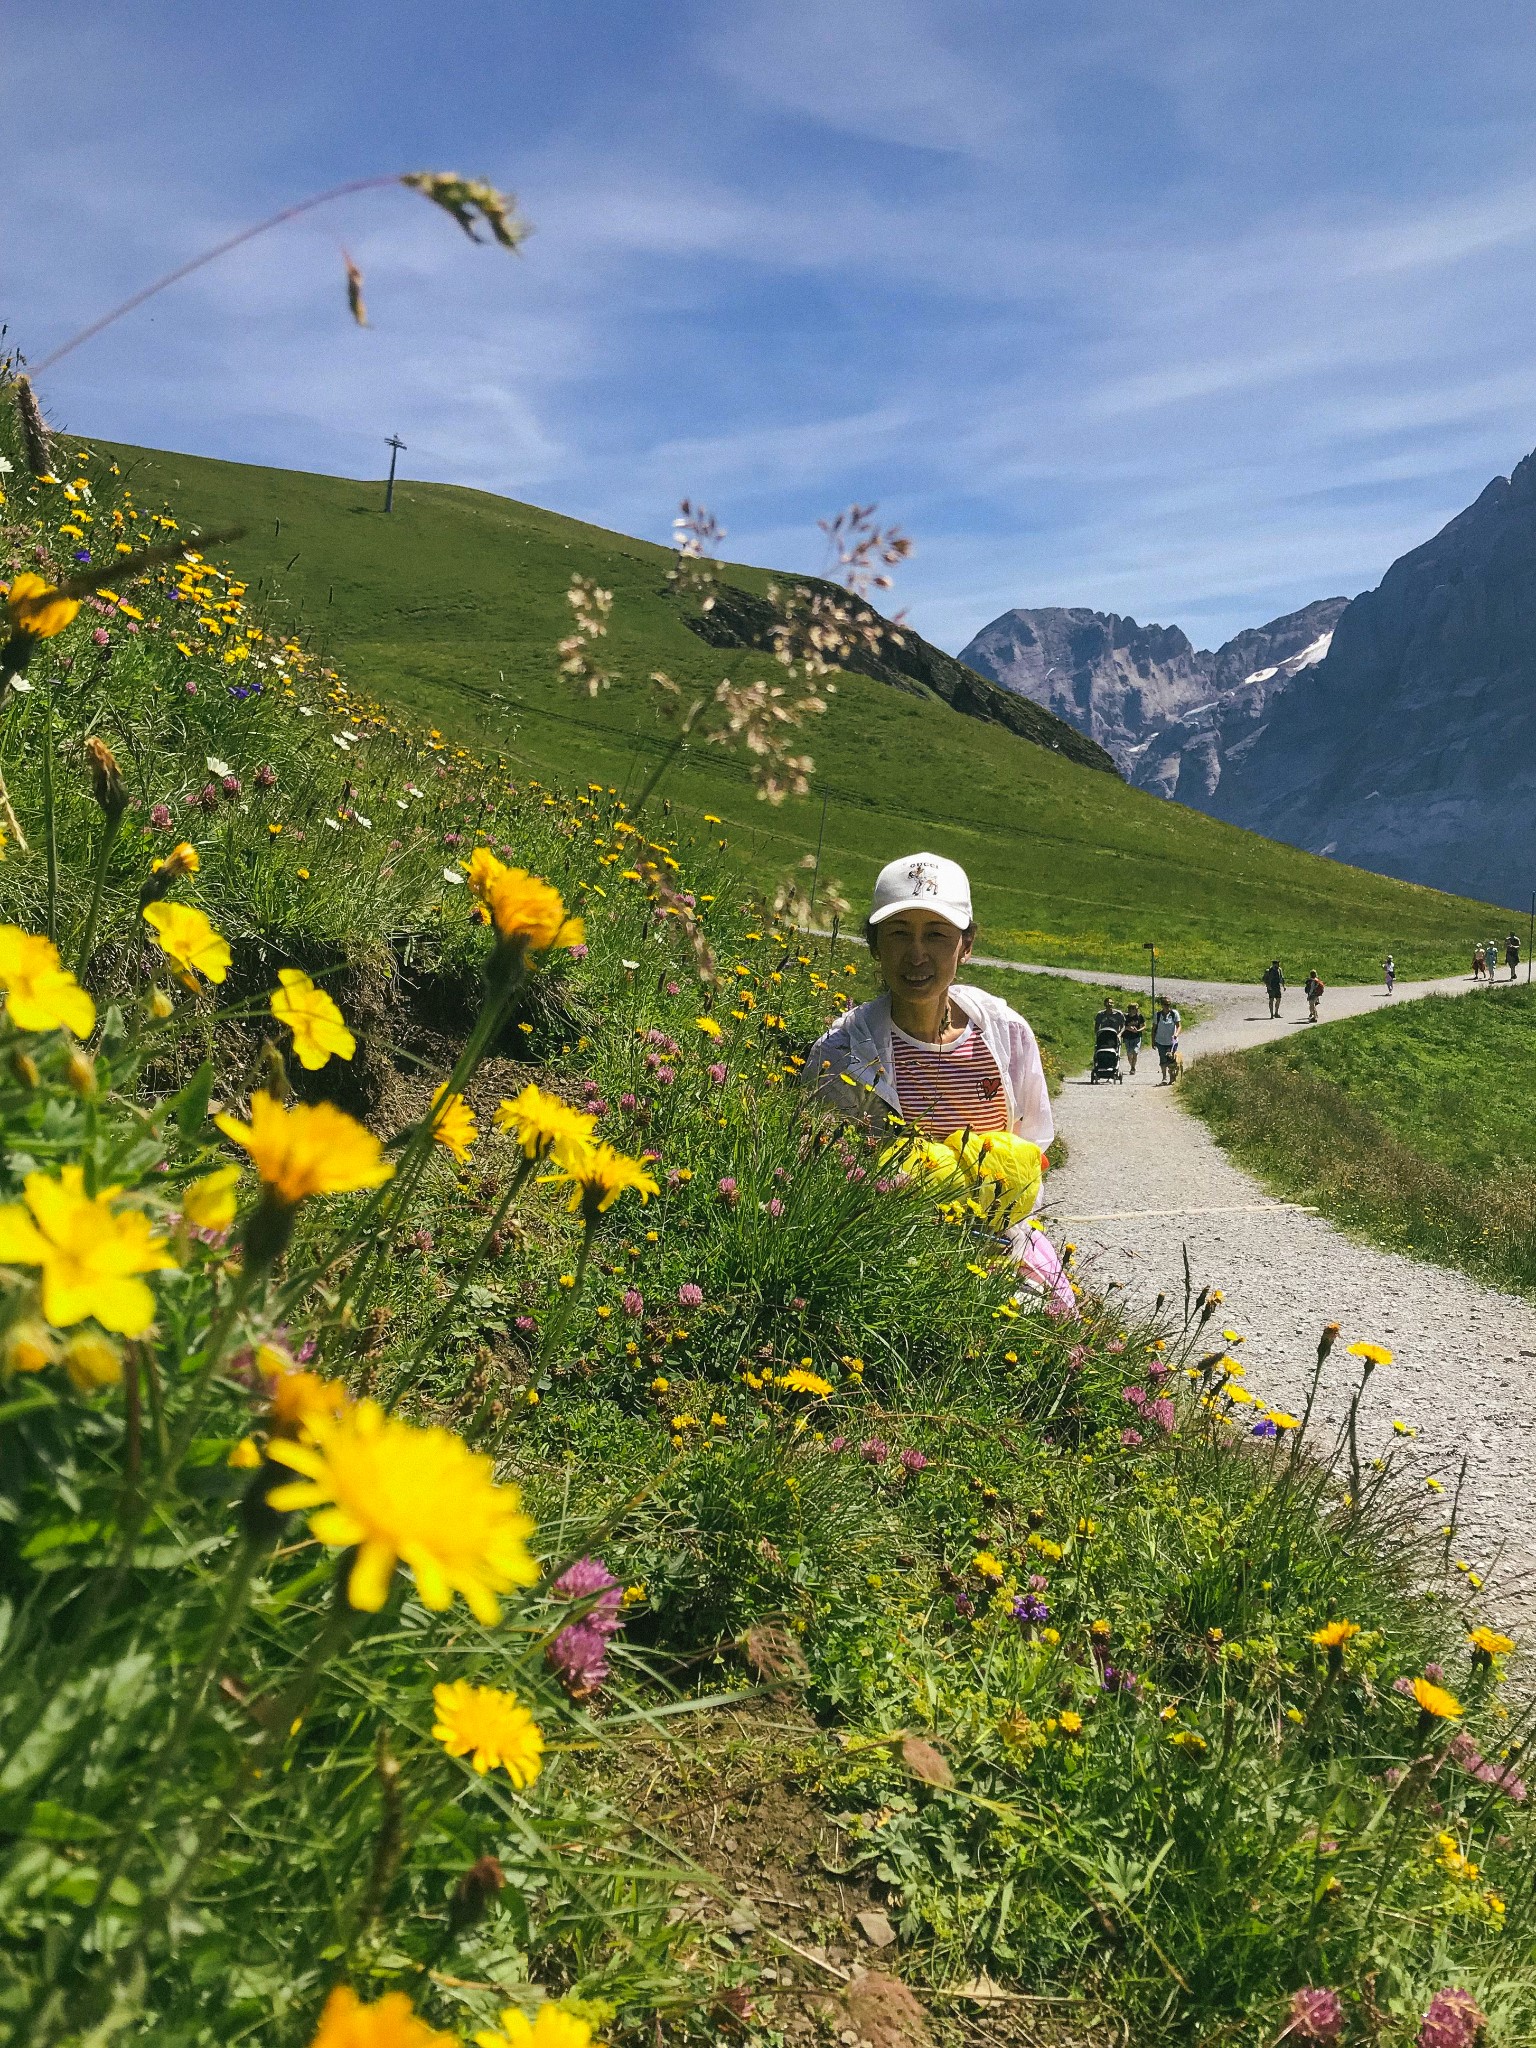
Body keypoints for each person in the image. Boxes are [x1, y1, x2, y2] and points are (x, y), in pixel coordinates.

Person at [806, 851, 1068, 1309]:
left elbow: (1032, 1148)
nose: (917, 954)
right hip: (890, 1263)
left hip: (1006, 1254)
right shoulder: (842, 1054)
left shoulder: (1006, 1033)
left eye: (937, 935)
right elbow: (824, 1172)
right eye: (899, 933)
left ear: (965, 946)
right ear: (875, 945)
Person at [1151, 995, 1182, 1083]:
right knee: (1163, 1059)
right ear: (1162, 1005)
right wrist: (1153, 1041)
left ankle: (1172, 1078)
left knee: (1172, 1061)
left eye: (1168, 1004)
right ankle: (1164, 1077)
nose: (1167, 1006)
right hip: (1160, 1041)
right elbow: (1154, 1029)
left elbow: (1179, 1026)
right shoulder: (1157, 1015)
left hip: (1172, 1042)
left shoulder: (1174, 1014)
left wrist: (1176, 1034)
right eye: (1165, 1004)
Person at [1121, 1000, 1145, 1075]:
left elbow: (1144, 1026)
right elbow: (1122, 1026)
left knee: (1135, 1051)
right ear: (1130, 1009)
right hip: (1127, 1037)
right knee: (1129, 1053)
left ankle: (1133, 1068)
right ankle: (1132, 1065)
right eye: (1135, 1008)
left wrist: (1138, 1030)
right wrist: (1129, 1028)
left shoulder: (1139, 1016)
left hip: (1137, 1037)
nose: (1136, 1010)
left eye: (1137, 1008)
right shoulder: (1125, 1017)